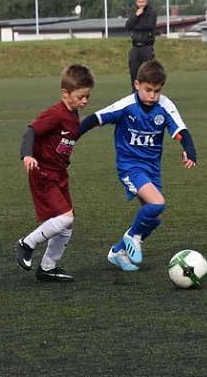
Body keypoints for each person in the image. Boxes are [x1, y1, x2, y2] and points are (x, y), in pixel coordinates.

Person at [78, 59, 196, 272]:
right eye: (148, 90)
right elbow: (95, 118)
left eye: (157, 91)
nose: (152, 96)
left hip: (152, 169)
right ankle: (132, 236)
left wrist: (189, 149)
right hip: (130, 167)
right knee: (157, 203)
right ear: (137, 84)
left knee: (155, 217)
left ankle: (118, 251)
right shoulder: (126, 106)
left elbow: (181, 131)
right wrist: (71, 137)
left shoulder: (165, 106)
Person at [15, 64, 96, 282]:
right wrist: (27, 156)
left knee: (67, 223)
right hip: (43, 173)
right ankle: (26, 244)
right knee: (64, 217)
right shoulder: (55, 114)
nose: (85, 101)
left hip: (59, 174)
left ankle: (48, 267)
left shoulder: (73, 114)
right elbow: (30, 132)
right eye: (81, 97)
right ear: (65, 93)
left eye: (87, 97)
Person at [125, 0, 158, 90]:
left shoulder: (151, 12)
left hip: (147, 46)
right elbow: (128, 25)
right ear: (136, 2)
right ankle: (135, 92)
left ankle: (149, 90)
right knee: (134, 72)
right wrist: (136, 16)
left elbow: (148, 25)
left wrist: (136, 25)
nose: (141, 4)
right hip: (135, 46)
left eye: (143, 2)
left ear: (146, 1)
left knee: (148, 71)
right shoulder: (134, 13)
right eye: (139, 2)